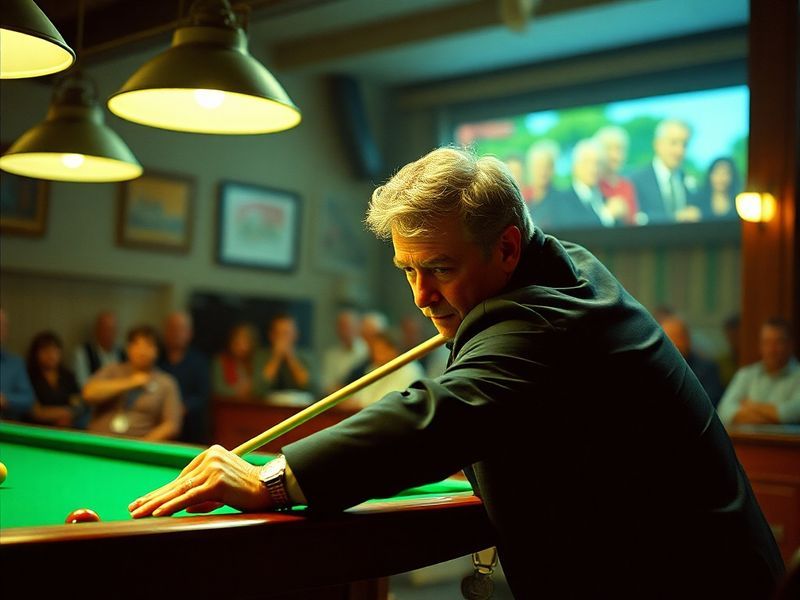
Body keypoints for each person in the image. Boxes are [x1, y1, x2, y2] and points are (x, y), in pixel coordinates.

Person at [130, 147, 783, 599]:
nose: (421, 296)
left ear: (507, 247)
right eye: (408, 271)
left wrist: (269, 479)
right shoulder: (563, 268)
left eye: (440, 268)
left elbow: (439, 414)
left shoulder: (544, 321)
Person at [83, 325, 183, 441]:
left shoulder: (166, 382)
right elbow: (88, 393)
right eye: (137, 345)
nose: (142, 351)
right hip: (98, 440)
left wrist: (142, 445)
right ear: (128, 348)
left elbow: (172, 425)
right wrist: (131, 382)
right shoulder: (111, 370)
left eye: (148, 345)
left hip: (138, 444)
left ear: (157, 351)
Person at [717, 317, 800, 426]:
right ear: (760, 346)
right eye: (767, 342)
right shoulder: (746, 374)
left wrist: (750, 406)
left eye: (778, 342)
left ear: (790, 344)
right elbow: (723, 411)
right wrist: (772, 417)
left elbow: (793, 413)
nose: (772, 349)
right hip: (745, 437)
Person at [631, 119, 701, 224]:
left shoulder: (690, 182)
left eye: (684, 145)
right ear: (657, 144)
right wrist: (675, 218)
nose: (679, 151)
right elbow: (637, 218)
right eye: (673, 143)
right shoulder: (637, 180)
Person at [536, 139, 614, 229]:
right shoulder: (560, 200)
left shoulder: (606, 200)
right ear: (575, 166)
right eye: (587, 162)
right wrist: (605, 217)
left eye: (598, 163)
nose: (594, 168)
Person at [158, 311, 211, 444]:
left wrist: (181, 408)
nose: (176, 333)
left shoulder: (200, 362)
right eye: (172, 328)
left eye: (181, 329)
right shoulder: (156, 360)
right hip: (159, 429)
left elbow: (203, 396)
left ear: (190, 333)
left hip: (191, 433)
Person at [346, 332, 425, 409]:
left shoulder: (410, 370)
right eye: (375, 351)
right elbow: (361, 398)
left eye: (381, 351)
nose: (378, 356)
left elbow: (397, 402)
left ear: (394, 349)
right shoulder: (373, 369)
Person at [659, 314, 724, 408]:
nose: (670, 344)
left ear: (686, 339)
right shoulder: (657, 367)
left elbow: (709, 403)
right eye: (666, 339)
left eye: (674, 337)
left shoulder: (706, 369)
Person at [26, 331, 86, 428]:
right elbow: (34, 411)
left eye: (54, 350)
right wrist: (61, 414)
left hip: (69, 425)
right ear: (36, 353)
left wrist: (71, 415)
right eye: (46, 350)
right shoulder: (29, 376)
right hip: (38, 427)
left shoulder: (68, 376)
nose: (51, 355)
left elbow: (77, 402)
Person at [255, 314, 314, 397]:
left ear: (296, 334)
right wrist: (276, 358)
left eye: (287, 333)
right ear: (271, 335)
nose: (283, 338)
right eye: (279, 333)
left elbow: (313, 388)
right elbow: (258, 389)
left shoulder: (306, 356)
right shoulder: (261, 356)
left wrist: (291, 359)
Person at [594, 125, 641, 225]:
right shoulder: (593, 184)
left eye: (619, 149)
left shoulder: (627, 186)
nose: (615, 156)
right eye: (609, 149)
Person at [320, 309, 367, 395]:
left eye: (349, 326)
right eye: (342, 327)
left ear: (358, 327)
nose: (345, 331)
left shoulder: (368, 352)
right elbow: (326, 385)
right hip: (337, 398)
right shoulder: (331, 355)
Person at [73, 310, 126, 386]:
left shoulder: (122, 352)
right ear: (97, 330)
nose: (109, 334)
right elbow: (84, 385)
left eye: (112, 329)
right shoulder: (84, 353)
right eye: (106, 329)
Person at [0, 308, 34, 421]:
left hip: (6, 425)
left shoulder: (16, 363)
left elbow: (28, 400)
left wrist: (5, 400)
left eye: (3, 325)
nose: (1, 329)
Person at [211, 323, 258, 401]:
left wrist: (252, 388)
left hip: (252, 403)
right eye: (237, 341)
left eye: (245, 342)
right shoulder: (220, 360)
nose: (240, 346)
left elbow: (260, 385)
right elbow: (218, 388)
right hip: (228, 404)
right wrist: (237, 391)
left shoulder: (255, 361)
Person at [521, 139, 558, 210]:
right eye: (538, 166)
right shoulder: (521, 198)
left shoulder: (561, 200)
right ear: (530, 167)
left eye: (547, 166)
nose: (543, 171)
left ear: (553, 169)